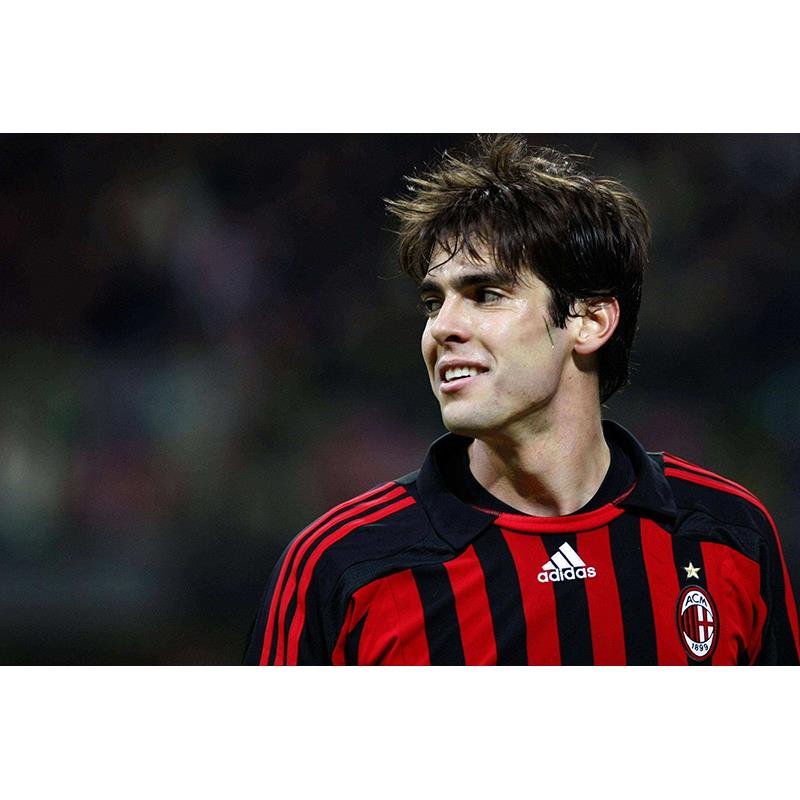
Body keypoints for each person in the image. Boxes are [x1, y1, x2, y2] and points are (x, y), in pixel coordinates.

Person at [243, 135, 799, 665]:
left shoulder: (726, 533)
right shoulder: (342, 566)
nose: (442, 328)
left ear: (590, 321)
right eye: (433, 302)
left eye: (486, 294)